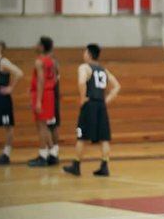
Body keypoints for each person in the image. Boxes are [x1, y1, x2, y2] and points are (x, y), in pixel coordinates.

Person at [63, 44, 120, 177]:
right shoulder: (103, 70)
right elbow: (117, 86)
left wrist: (83, 98)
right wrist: (106, 100)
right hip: (101, 105)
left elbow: (81, 82)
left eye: (84, 52)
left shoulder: (84, 67)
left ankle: (76, 165)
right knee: (104, 138)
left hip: (90, 105)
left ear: (88, 54)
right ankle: (104, 166)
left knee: (82, 136)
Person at [27, 36, 57, 167]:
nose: (35, 45)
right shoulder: (52, 61)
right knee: (44, 125)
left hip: (42, 94)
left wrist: (38, 100)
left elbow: (40, 81)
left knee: (41, 126)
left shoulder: (39, 61)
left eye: (38, 44)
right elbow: (55, 78)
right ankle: (52, 153)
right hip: (49, 93)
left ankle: (42, 156)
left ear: (42, 47)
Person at [46, 50, 61, 166]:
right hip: (50, 96)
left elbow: (55, 78)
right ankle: (52, 151)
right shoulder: (48, 63)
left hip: (50, 97)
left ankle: (53, 152)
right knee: (49, 125)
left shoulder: (52, 63)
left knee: (49, 125)